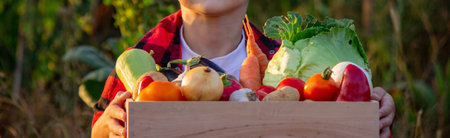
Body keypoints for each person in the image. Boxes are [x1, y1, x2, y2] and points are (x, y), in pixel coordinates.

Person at [91, 0, 395, 137]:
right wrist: (106, 129)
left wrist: (369, 108)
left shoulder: (286, 63)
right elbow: (102, 127)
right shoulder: (144, 59)